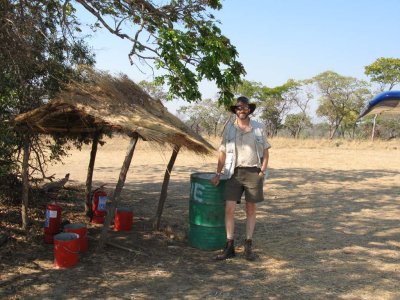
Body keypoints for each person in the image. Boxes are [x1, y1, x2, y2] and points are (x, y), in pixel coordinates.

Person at [211, 96, 271, 261]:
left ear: (249, 110)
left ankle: (248, 247)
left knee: (250, 209)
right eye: (238, 108)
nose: (242, 110)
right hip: (233, 173)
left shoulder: (259, 127)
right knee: (229, 209)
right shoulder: (229, 129)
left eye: (245, 108)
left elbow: (265, 151)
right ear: (235, 111)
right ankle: (229, 246)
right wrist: (218, 173)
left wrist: (262, 171)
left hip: (253, 171)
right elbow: (222, 152)